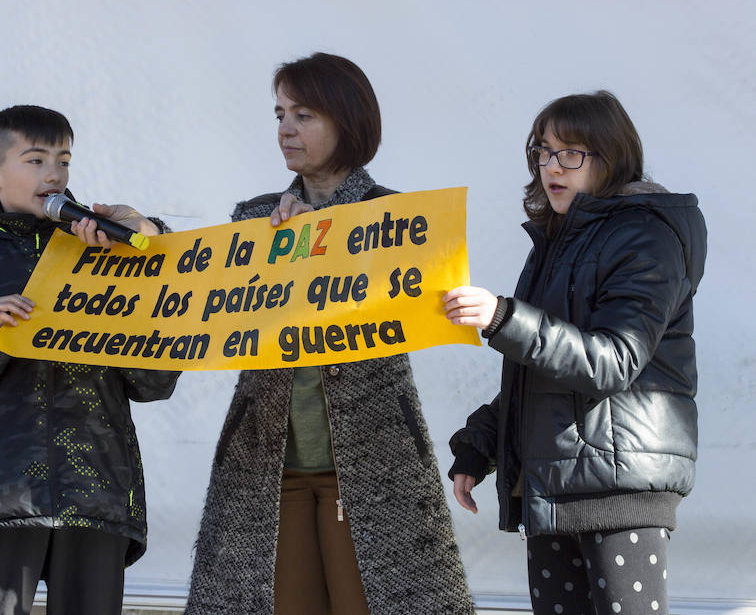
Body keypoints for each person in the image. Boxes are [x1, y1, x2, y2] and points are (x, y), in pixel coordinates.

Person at [184, 53, 474, 615]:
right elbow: (196, 293)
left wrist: (322, 242)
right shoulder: (257, 219)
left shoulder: (396, 218)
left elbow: (421, 309)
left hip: (372, 460)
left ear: (348, 122)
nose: (286, 129)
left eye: (305, 115)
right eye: (280, 114)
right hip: (266, 461)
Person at [0, 105, 180, 615]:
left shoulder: (103, 255)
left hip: (96, 491)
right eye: (36, 159)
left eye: (64, 160)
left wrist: (145, 243)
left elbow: (155, 380)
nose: (54, 174)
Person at [444, 91, 706, 614]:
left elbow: (613, 361)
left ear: (610, 158)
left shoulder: (646, 235)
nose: (551, 167)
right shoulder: (559, 240)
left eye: (572, 153)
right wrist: (481, 444)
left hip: (620, 491)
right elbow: (542, 374)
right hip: (555, 485)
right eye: (543, 151)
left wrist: (502, 317)